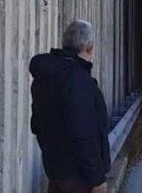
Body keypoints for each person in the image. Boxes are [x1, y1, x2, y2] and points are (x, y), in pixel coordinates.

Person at [30, 20, 111, 193]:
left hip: (55, 170)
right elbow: (83, 134)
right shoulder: (78, 80)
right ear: (90, 48)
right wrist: (97, 179)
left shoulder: (47, 75)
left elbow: (37, 124)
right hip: (78, 177)